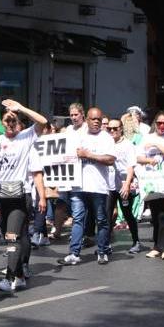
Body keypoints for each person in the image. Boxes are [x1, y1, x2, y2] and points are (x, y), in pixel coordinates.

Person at [0, 99, 47, 292]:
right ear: (2, 122)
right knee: (12, 236)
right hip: (1, 195)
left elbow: (43, 121)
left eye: (14, 120)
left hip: (21, 196)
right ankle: (20, 276)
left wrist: (20, 108)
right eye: (7, 120)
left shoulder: (25, 137)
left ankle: (9, 278)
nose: (10, 123)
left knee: (12, 237)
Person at [58, 106, 115, 266]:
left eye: (98, 119)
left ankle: (102, 251)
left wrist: (88, 154)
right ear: (87, 120)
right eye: (93, 119)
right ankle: (74, 253)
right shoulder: (78, 136)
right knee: (77, 219)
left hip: (98, 187)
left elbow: (110, 159)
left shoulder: (106, 137)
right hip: (78, 186)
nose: (96, 122)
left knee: (101, 220)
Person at [137, 111, 164, 260]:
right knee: (155, 215)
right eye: (159, 123)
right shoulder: (147, 137)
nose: (162, 126)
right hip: (151, 180)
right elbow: (139, 157)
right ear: (155, 123)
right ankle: (157, 246)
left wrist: (156, 144)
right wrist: (149, 161)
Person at [106, 117, 142, 254]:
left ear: (121, 129)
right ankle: (106, 244)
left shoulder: (127, 145)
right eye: (109, 128)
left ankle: (136, 241)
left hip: (124, 184)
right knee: (107, 214)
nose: (112, 131)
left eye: (115, 128)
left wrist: (127, 184)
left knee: (127, 213)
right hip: (110, 185)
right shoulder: (107, 144)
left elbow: (130, 166)